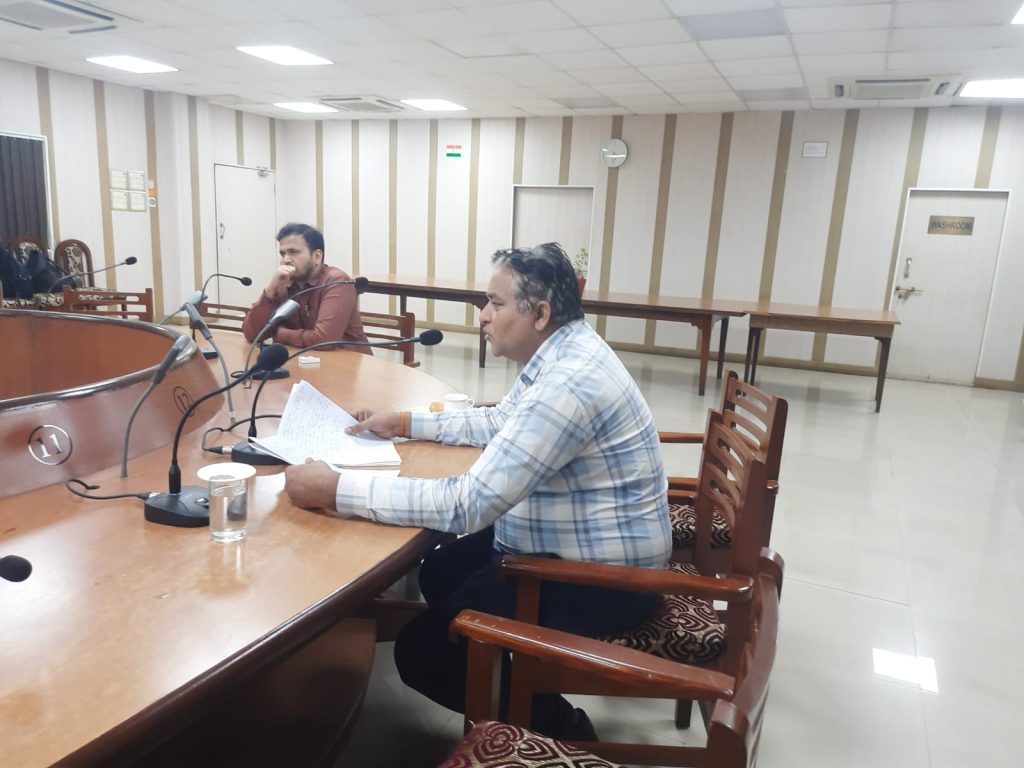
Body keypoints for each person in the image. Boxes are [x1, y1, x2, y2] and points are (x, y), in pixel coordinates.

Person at [284, 242, 670, 740]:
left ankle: (561, 727)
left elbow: (466, 505)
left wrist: (337, 489)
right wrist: (404, 422)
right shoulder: (564, 351)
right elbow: (499, 420)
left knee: (423, 651)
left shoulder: (568, 385)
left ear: (540, 314)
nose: (483, 315)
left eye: (495, 303)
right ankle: (512, 668)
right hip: (571, 545)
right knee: (441, 571)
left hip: (603, 580)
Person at [241, 222, 370, 351]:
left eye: (293, 252)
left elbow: (324, 340)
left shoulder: (337, 281)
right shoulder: (284, 282)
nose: (285, 260)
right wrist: (270, 290)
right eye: (283, 254)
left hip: (346, 359)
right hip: (303, 357)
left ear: (317, 257)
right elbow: (252, 335)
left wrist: (280, 334)